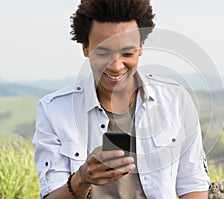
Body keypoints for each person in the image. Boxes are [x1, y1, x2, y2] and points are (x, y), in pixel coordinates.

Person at [32, 0, 211, 198]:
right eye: (102, 52)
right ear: (85, 48)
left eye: (127, 53)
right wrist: (81, 178)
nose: (116, 66)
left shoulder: (176, 100)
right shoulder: (54, 110)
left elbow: (193, 183)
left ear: (141, 47)